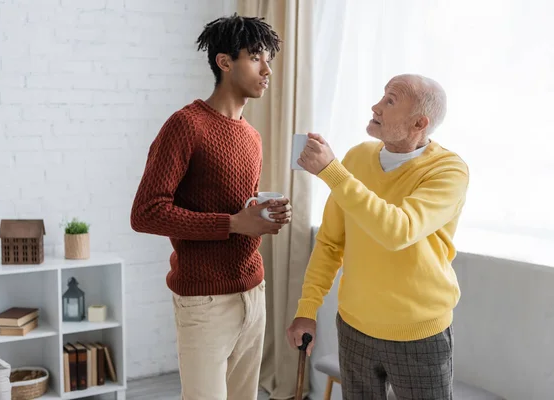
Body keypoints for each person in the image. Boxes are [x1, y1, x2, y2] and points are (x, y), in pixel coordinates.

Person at [130, 14, 291, 400]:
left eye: (268, 59)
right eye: (256, 58)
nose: (267, 70)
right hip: (204, 300)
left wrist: (262, 215)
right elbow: (146, 212)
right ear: (224, 62)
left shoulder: (251, 135)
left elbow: (237, 205)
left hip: (254, 291)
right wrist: (235, 223)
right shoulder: (186, 125)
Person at [286, 74, 469, 400]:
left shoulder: (448, 171)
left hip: (419, 336)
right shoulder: (357, 158)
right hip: (354, 328)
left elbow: (399, 231)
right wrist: (307, 309)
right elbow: (330, 242)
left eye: (390, 101)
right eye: (382, 96)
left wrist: (332, 171)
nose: (376, 106)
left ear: (419, 123)